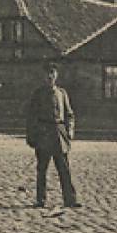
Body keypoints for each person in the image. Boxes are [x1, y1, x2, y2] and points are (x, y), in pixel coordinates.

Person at [26, 61, 81, 208]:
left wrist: (69, 130)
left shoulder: (62, 93)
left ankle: (70, 199)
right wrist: (31, 135)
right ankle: (40, 200)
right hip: (43, 134)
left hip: (59, 134)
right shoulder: (38, 94)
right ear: (43, 76)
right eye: (47, 73)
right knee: (42, 169)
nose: (50, 76)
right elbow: (32, 116)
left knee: (64, 168)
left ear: (56, 75)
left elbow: (70, 114)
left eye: (53, 73)